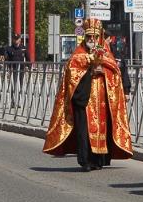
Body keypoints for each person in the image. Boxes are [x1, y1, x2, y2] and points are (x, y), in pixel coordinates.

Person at [43, 19, 133, 170]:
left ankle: (99, 160)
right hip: (84, 100)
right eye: (89, 36)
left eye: (95, 37)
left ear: (100, 37)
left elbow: (116, 73)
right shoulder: (78, 54)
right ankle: (85, 160)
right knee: (84, 131)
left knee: (103, 128)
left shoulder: (107, 54)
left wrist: (103, 71)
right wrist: (90, 71)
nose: (92, 40)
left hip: (103, 100)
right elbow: (71, 74)